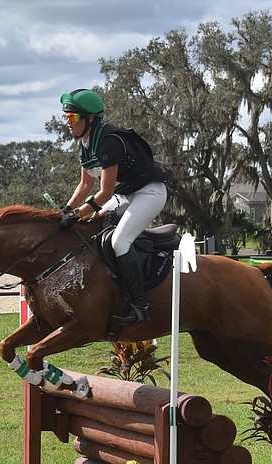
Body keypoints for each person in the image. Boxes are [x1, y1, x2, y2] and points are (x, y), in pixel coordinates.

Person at [58, 88, 173, 325]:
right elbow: (84, 185)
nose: (68, 122)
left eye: (73, 117)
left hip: (149, 193)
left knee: (119, 241)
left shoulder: (108, 142)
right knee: (92, 227)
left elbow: (105, 192)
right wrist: (66, 210)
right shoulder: (85, 144)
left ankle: (141, 306)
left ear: (90, 118)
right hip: (126, 194)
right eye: (66, 117)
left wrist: (79, 213)